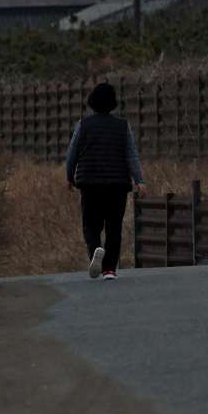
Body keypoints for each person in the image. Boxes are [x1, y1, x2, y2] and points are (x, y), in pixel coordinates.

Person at [63, 81, 147, 280]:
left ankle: (95, 253)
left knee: (91, 225)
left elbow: (72, 153)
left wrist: (69, 177)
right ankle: (110, 269)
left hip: (89, 183)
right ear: (113, 103)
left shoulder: (83, 125)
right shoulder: (122, 126)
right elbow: (131, 155)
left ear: (91, 102)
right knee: (114, 226)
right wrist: (139, 180)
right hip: (117, 185)